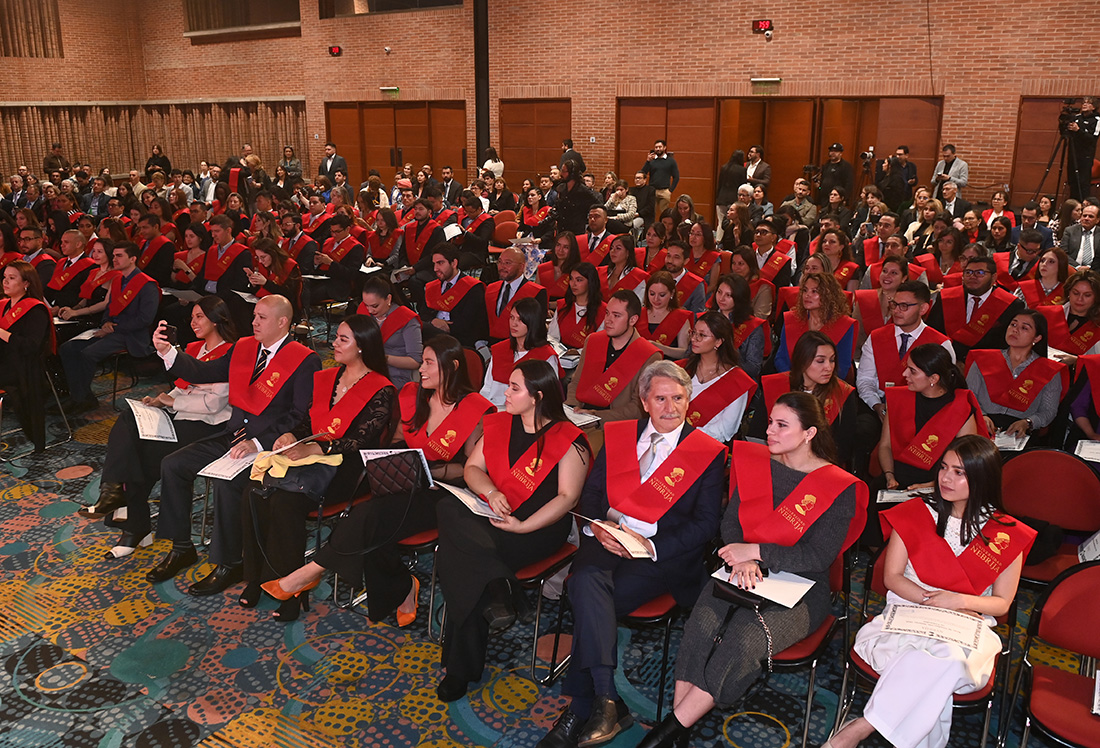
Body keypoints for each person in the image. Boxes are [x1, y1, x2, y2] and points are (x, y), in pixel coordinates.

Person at [627, 391, 864, 748]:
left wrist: (756, 551)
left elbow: (818, 557)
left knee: (743, 639)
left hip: (802, 588)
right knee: (700, 627)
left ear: (809, 433)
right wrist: (747, 558)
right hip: (740, 570)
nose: (769, 431)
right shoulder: (758, 464)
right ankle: (677, 733)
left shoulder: (837, 486)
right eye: (770, 422)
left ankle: (664, 735)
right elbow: (732, 523)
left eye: (782, 425)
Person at [539, 361, 726, 748]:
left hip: (658, 556)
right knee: (588, 583)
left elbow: (706, 525)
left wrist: (651, 545)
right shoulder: (620, 437)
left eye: (679, 398)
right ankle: (607, 700)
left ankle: (582, 707)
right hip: (606, 541)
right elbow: (591, 495)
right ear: (644, 401)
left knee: (589, 594)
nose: (671, 408)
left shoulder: (706, 453)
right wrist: (600, 530)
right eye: (661, 398)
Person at [261, 334, 492, 624]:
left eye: (429, 363)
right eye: (422, 362)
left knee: (369, 516)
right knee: (370, 519)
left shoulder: (474, 408)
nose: (421, 369)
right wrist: (395, 462)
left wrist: (432, 469)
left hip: (442, 490)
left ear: (452, 366)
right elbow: (396, 442)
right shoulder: (414, 396)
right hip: (404, 476)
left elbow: (472, 469)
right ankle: (404, 586)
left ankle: (310, 572)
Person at [832, 435, 1035, 748]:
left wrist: (957, 601)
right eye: (943, 467)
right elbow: (893, 577)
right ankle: (862, 730)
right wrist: (935, 601)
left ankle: (860, 728)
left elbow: (1001, 603)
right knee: (938, 668)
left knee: (948, 660)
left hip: (966, 628)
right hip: (908, 617)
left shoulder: (1005, 534)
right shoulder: (915, 514)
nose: (945, 478)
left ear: (982, 478)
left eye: (959, 472)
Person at [145, 295, 322, 595]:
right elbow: (203, 372)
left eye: (261, 318)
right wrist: (170, 353)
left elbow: (300, 416)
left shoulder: (304, 359)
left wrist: (257, 442)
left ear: (282, 322)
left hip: (270, 446)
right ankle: (181, 547)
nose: (253, 322)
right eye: (254, 315)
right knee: (173, 464)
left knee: (228, 483)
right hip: (234, 435)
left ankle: (229, 563)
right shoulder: (244, 347)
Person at [435, 359, 590, 701]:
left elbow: (567, 498)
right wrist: (491, 492)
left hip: (538, 529)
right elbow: (473, 468)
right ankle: (499, 585)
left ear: (537, 396)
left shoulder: (569, 439)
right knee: (447, 508)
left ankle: (459, 670)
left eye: (514, 388)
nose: (505, 392)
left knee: (461, 559)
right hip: (494, 515)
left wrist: (522, 527)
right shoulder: (500, 424)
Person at [241, 316, 398, 620]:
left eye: (343, 339)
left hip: (348, 469)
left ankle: (292, 590)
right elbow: (308, 423)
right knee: (254, 492)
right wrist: (292, 435)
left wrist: (319, 447)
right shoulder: (328, 379)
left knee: (286, 501)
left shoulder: (381, 389)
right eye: (336, 337)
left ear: (362, 346)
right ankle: (258, 578)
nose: (334, 344)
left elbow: (361, 441)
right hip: (310, 457)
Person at [81, 297, 236, 555]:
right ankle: (113, 490)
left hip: (208, 427)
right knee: (129, 419)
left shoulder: (230, 352)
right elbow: (183, 386)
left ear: (216, 319)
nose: (193, 322)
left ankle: (132, 523)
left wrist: (172, 403)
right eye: (193, 317)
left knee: (139, 454)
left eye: (199, 316)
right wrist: (161, 401)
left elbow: (214, 404)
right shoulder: (196, 349)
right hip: (181, 417)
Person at [58, 241, 159, 413]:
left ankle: (81, 400)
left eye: (119, 256)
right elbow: (110, 307)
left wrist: (114, 327)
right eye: (114, 256)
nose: (115, 259)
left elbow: (145, 319)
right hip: (111, 330)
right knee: (67, 348)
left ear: (133, 259)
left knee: (87, 354)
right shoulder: (119, 279)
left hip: (130, 335)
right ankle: (80, 396)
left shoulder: (147, 284)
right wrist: (106, 323)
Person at [878, 344, 984, 491]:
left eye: (912, 371)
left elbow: (966, 462)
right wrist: (889, 476)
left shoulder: (960, 407)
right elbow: (885, 446)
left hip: (940, 484)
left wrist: (931, 486)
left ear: (933, 378)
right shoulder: (898, 398)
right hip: (897, 478)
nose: (904, 374)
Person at [753, 332, 860, 468]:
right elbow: (756, 434)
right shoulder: (775, 386)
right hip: (774, 463)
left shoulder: (842, 393)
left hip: (821, 467)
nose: (828, 367)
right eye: (820, 361)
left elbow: (843, 447)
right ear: (802, 361)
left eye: (832, 360)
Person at [858, 282, 954, 421]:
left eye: (904, 306)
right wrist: (876, 405)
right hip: (880, 404)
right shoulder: (876, 336)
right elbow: (865, 379)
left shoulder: (940, 343)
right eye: (894, 304)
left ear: (923, 308)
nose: (896, 311)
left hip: (922, 409)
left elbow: (944, 388)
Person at [965, 310, 1067, 442]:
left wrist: (1028, 422)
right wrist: (981, 416)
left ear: (1037, 338)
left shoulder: (1049, 370)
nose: (1015, 330)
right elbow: (969, 396)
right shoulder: (983, 359)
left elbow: (1048, 411)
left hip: (1021, 432)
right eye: (1013, 325)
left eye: (1024, 328)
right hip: (982, 425)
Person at [567, 290, 662, 425]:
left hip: (611, 424)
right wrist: (570, 407)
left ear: (633, 320)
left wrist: (596, 417)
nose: (608, 320)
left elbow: (638, 408)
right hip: (579, 414)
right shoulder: (593, 340)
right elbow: (576, 382)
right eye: (607, 313)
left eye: (616, 315)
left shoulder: (649, 355)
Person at [926, 256, 1025, 360]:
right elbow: (934, 333)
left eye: (980, 273)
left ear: (994, 277)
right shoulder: (946, 297)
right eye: (968, 272)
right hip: (947, 360)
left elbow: (1008, 344)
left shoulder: (1011, 304)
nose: (972, 276)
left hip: (987, 363)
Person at [0, 261, 54, 451]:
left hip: (22, 370)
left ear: (26, 283)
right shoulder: (4, 305)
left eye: (12, 278)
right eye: (5, 277)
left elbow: (31, 347)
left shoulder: (35, 310)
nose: (5, 282)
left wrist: (2, 333)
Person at [679, 312, 756, 443]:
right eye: (694, 332)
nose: (694, 339)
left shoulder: (737, 382)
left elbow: (726, 430)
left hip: (707, 446)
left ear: (719, 342)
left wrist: (686, 436)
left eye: (702, 335)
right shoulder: (682, 369)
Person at [481, 297, 561, 408]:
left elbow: (548, 398)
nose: (513, 324)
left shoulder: (546, 356)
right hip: (495, 409)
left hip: (527, 414)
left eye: (520, 320)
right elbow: (487, 389)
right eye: (511, 317)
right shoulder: (500, 349)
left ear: (532, 322)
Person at [775, 271, 857, 379]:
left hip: (828, 385)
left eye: (814, 291)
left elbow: (842, 366)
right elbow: (780, 358)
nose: (807, 295)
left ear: (828, 295)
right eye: (805, 290)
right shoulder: (791, 319)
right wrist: (797, 380)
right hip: (793, 382)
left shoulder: (844, 324)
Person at [420, 244, 489, 350]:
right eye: (434, 264)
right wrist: (433, 321)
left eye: (440, 263)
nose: (435, 269)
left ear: (454, 263)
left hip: (458, 338)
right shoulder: (433, 286)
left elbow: (470, 323)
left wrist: (445, 326)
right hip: (432, 331)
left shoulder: (473, 288)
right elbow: (423, 313)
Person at [358, 274, 422, 388]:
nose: (370, 310)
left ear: (388, 299)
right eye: (366, 305)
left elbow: (415, 361)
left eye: (374, 306)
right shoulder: (364, 312)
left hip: (395, 375)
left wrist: (383, 358)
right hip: (365, 369)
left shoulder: (407, 319)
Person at [709, 273, 767, 379]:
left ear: (739, 297)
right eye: (719, 292)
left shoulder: (753, 326)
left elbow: (753, 368)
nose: (721, 298)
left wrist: (724, 364)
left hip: (737, 379)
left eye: (728, 295)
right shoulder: (706, 319)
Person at [1036, 269, 1100, 364]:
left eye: (1087, 295)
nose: (1080, 299)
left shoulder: (1097, 327)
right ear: (1068, 292)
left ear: (1096, 298)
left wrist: (1076, 361)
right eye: (1076, 293)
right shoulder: (1046, 314)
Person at [485, 246, 547, 343]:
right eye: (500, 262)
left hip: (520, 347)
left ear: (521, 267)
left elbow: (537, 329)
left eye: (508, 263)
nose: (502, 267)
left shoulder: (537, 292)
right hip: (488, 346)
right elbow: (481, 321)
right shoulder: (490, 288)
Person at [550, 261, 605, 352]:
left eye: (579, 280)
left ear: (590, 282)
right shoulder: (563, 305)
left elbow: (601, 344)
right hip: (561, 356)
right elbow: (552, 337)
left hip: (588, 357)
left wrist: (578, 353)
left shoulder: (603, 311)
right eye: (571, 279)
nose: (573, 284)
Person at [636, 271, 691, 359]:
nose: (656, 299)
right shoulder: (638, 313)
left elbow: (683, 352)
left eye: (662, 295)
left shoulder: (681, 317)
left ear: (672, 293)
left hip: (666, 366)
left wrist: (658, 347)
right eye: (652, 294)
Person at [1066, 96, 1099, 201]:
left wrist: (1078, 130)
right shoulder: (1076, 117)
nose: (1084, 104)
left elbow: (1092, 139)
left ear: (1094, 107)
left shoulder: (1096, 120)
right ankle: (1072, 206)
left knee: (1083, 183)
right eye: (1084, 102)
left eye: (1088, 103)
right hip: (1073, 154)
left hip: (1086, 156)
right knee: (1072, 181)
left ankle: (1083, 205)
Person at [599, 234, 647, 301]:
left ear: (628, 253)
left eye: (618, 248)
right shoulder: (603, 272)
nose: (613, 251)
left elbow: (638, 303)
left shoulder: (638, 277)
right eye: (612, 248)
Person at [642, 140, 680, 221]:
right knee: (651, 212)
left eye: (660, 147)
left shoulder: (671, 161)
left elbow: (676, 177)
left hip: (665, 191)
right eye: (656, 147)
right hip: (652, 191)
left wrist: (670, 190)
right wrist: (648, 161)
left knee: (665, 213)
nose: (658, 149)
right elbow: (643, 173)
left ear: (664, 148)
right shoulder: (651, 161)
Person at [537, 231, 581, 300]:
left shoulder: (578, 271)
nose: (560, 250)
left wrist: (551, 305)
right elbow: (536, 295)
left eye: (566, 247)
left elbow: (578, 299)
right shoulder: (542, 268)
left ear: (572, 250)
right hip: (543, 308)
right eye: (558, 245)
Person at [752, 218, 793, 287]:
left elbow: (782, 288)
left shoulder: (783, 261)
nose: (758, 235)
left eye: (764, 232)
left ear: (773, 237)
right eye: (756, 232)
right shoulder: (748, 255)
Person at [714, 150, 747, 234]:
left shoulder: (724, 167)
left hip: (721, 198)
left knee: (721, 222)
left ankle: (719, 241)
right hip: (733, 199)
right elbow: (742, 186)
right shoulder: (742, 170)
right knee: (733, 222)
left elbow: (719, 184)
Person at [1061, 202, 1099, 270]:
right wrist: (1077, 267)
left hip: (1096, 270)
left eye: (1091, 216)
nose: (1086, 218)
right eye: (1084, 216)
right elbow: (1063, 253)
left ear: (1097, 220)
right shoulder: (1070, 231)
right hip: (1072, 269)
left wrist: (1090, 267)